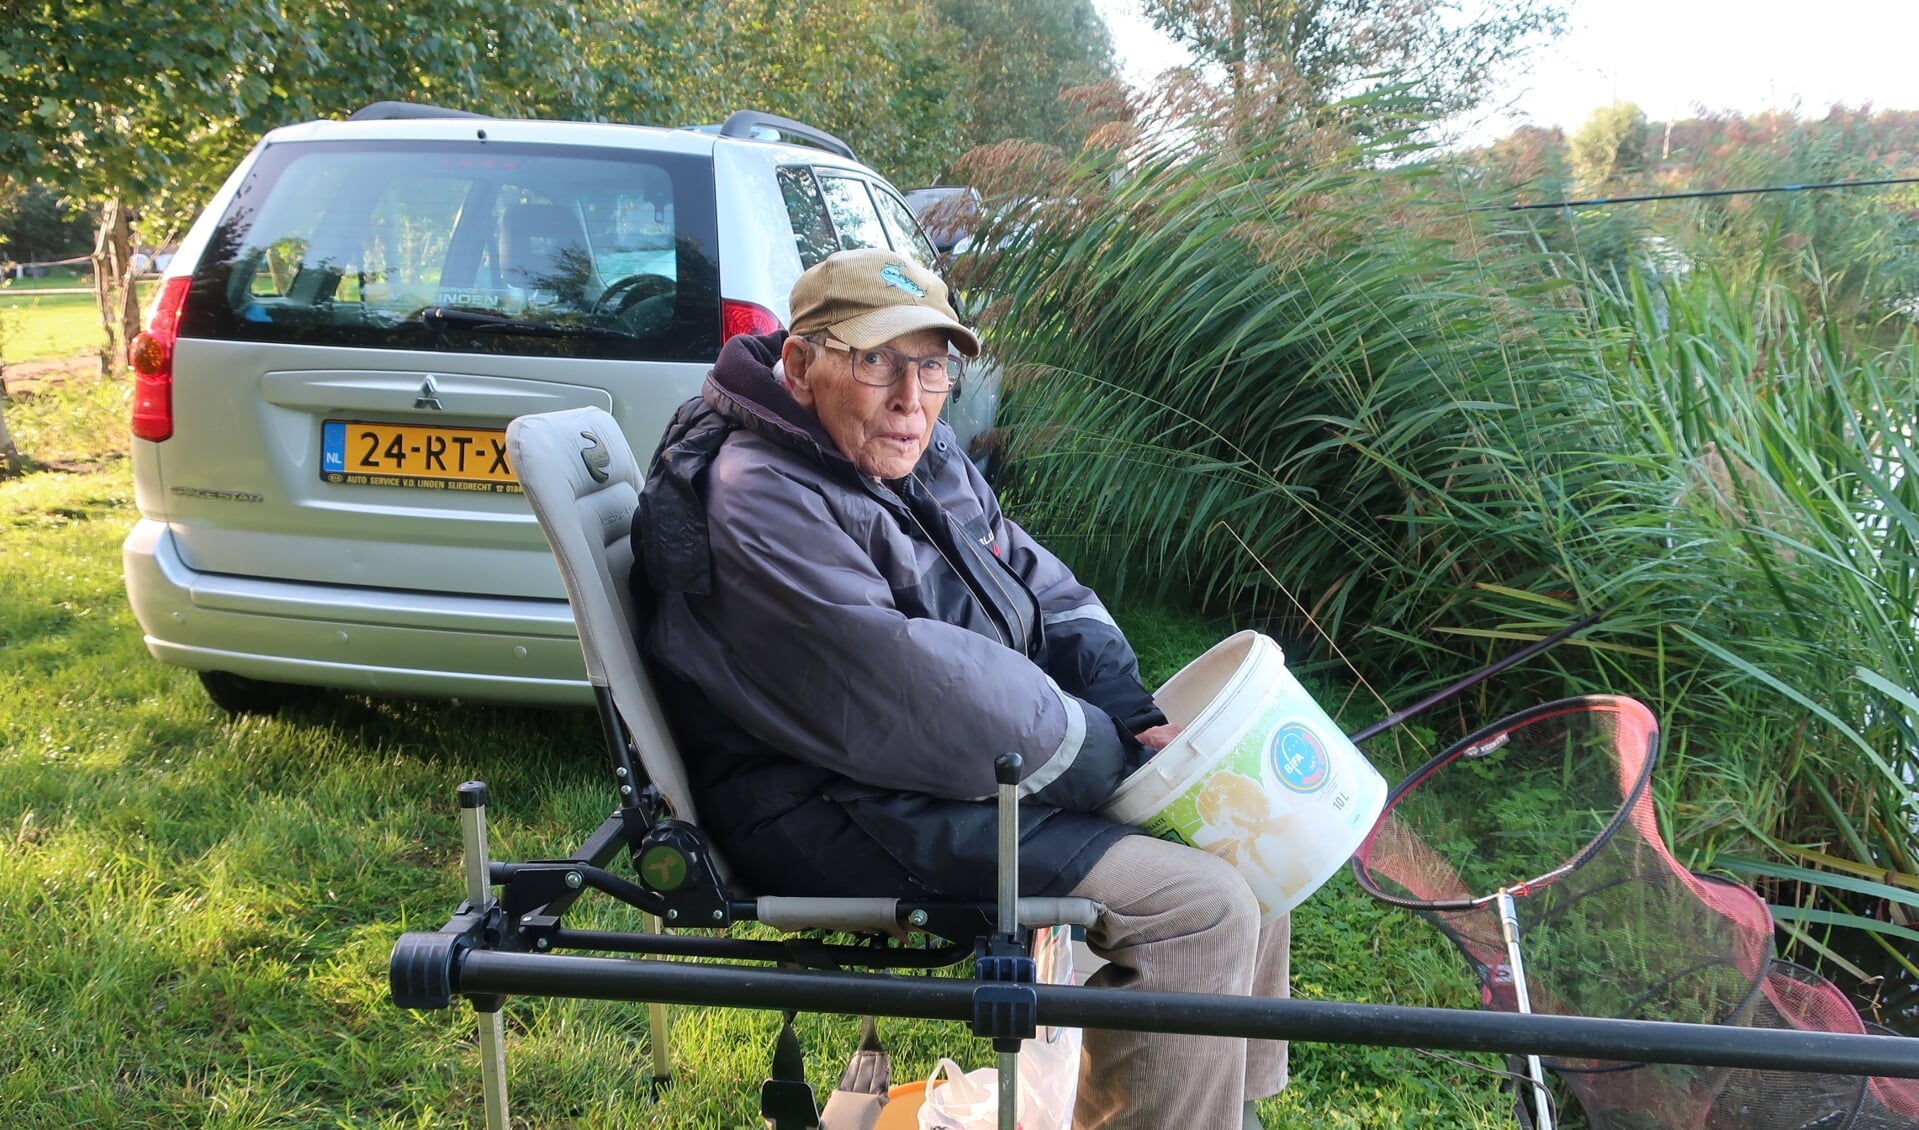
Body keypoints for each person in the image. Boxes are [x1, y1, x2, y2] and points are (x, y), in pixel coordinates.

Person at [631, 248, 1289, 1130]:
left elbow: (1040, 585)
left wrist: (1130, 710)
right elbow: (909, 685)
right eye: (876, 361)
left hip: (929, 772)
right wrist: (1109, 757)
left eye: (932, 364)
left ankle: (1216, 1114)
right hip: (821, 805)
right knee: (1196, 907)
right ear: (798, 365)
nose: (912, 397)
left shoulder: (913, 453)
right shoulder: (761, 491)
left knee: (1250, 846)